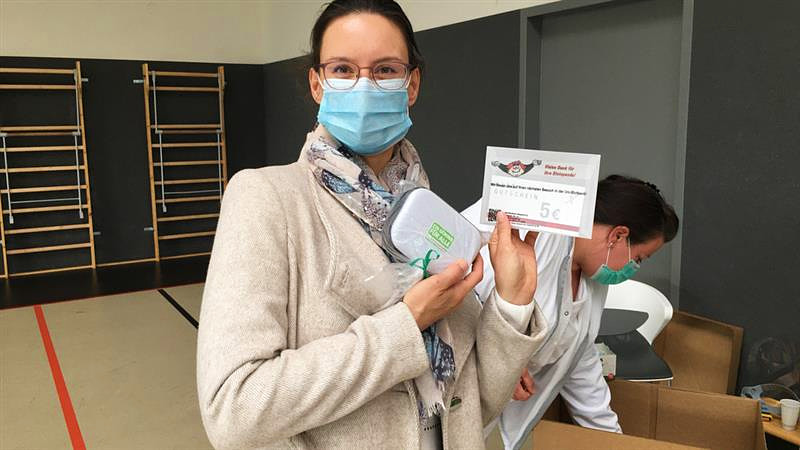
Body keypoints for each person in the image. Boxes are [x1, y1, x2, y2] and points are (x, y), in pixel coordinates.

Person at [196, 1, 549, 449]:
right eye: (343, 69)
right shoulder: (267, 198)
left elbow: (473, 404)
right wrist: (406, 325)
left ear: (412, 84)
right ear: (318, 84)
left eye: (385, 70)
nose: (364, 85)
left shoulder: (423, 209)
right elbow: (233, 409)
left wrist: (513, 301)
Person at [463, 174, 680, 449]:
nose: (633, 268)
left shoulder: (594, 283)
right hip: (457, 408)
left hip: (497, 429)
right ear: (618, 235)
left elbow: (580, 358)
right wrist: (498, 360)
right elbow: (461, 295)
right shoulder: (536, 238)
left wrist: (613, 440)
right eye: (638, 258)